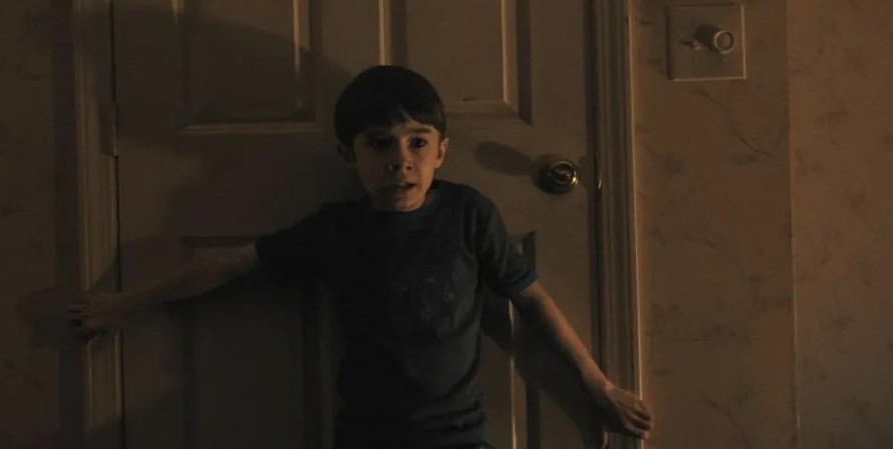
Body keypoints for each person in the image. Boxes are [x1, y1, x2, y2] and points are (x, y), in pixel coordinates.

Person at [69, 65, 653, 449]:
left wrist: (596, 386)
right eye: (380, 144)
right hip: (369, 438)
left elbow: (532, 299)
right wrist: (126, 303)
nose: (401, 159)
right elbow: (226, 266)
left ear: (441, 152)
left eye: (417, 142)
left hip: (459, 438)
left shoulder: (467, 214)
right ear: (349, 154)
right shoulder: (337, 229)